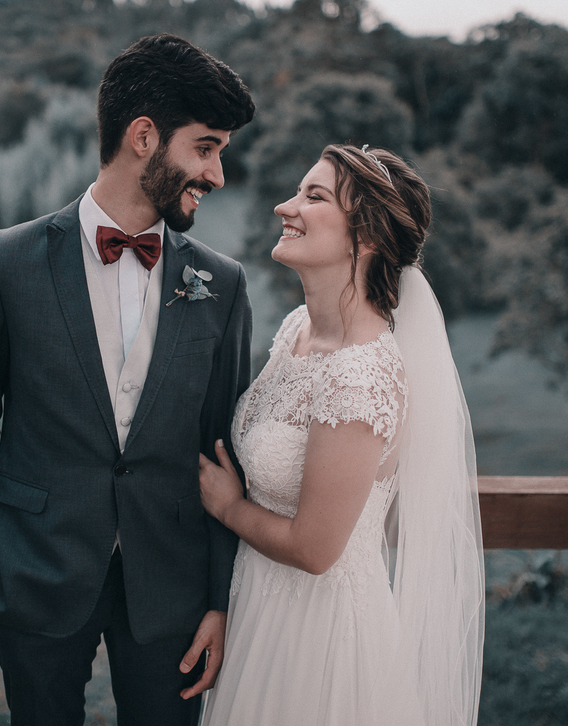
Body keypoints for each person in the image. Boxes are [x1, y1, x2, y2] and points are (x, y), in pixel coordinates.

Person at [0, 34, 255, 726]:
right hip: (35, 579)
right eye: (205, 148)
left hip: (171, 590)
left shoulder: (223, 284)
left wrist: (219, 598)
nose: (217, 174)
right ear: (144, 137)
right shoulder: (4, 264)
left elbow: (225, 447)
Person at [199, 144, 485, 726]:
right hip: (258, 610)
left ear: (367, 236)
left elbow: (315, 549)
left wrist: (228, 508)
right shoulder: (297, 331)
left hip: (317, 639)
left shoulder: (360, 376)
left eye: (314, 196)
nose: (285, 207)